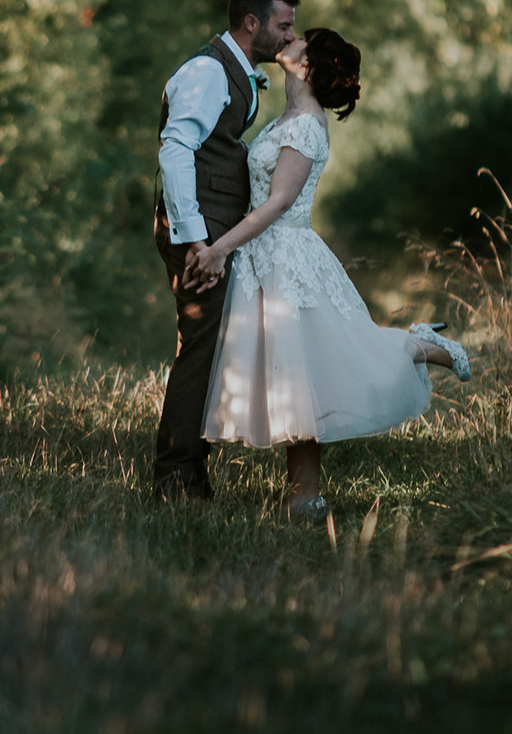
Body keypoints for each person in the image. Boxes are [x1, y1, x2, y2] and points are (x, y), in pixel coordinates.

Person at [188, 28, 471, 520]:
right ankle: (303, 498)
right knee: (294, 377)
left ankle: (423, 346)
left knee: (321, 368)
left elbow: (277, 203)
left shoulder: (305, 127)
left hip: (287, 260)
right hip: (262, 259)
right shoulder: (287, 117)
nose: (291, 38)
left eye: (301, 39)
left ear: (307, 66)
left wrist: (219, 249)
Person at [151, 0, 298, 502]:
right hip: (199, 230)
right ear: (251, 23)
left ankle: (185, 471)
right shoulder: (208, 71)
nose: (288, 36)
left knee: (204, 348)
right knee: (200, 349)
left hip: (210, 228)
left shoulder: (236, 73)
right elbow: (175, 150)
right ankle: (176, 480)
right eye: (283, 25)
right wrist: (194, 239)